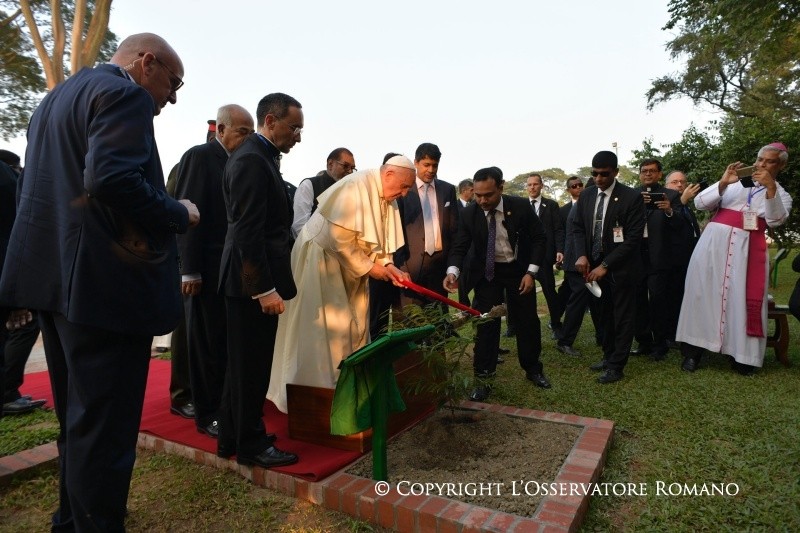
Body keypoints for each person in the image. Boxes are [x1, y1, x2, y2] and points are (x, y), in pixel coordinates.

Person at [0, 33, 199, 531]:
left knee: (78, 420)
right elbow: (109, 178)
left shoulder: (52, 101)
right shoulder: (124, 93)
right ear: (145, 62)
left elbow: (36, 190)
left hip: (54, 286)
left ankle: (71, 520)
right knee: (106, 431)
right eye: (172, 84)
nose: (171, 98)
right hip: (103, 292)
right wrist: (179, 212)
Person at [267, 156, 416, 413]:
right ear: (389, 174)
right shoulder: (354, 186)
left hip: (350, 268)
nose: (403, 194)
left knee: (350, 327)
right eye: (403, 187)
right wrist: (372, 268)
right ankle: (313, 395)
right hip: (321, 264)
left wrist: (388, 265)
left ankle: (345, 390)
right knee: (321, 328)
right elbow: (338, 239)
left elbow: (378, 241)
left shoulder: (386, 195)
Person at [216, 93, 302, 468]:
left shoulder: (258, 155)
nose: (298, 136)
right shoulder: (252, 159)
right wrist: (263, 289)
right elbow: (249, 233)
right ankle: (250, 446)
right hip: (249, 284)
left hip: (245, 282)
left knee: (243, 366)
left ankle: (233, 437)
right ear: (270, 120)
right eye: (293, 127)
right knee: (250, 368)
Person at [678, 143, 793, 375]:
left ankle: (741, 355)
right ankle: (692, 353)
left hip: (747, 250)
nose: (761, 164)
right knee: (702, 294)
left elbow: (776, 220)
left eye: (768, 161)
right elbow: (700, 203)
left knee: (739, 299)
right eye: (760, 159)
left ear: (780, 165)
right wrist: (722, 183)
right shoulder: (736, 183)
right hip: (712, 247)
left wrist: (770, 188)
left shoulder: (782, 194)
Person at [175, 104, 255, 439]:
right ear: (220, 129)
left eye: (250, 133)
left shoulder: (241, 161)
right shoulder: (200, 156)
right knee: (206, 345)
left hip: (231, 271)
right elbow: (190, 214)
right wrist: (189, 270)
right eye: (241, 132)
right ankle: (207, 413)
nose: (246, 139)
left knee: (224, 343)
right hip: (205, 269)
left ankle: (224, 408)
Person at [444, 166, 550, 402]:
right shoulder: (469, 213)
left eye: (488, 195)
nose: (481, 200)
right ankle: (483, 379)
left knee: (527, 321)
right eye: (477, 195)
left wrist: (531, 273)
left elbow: (540, 238)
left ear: (501, 188)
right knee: (485, 325)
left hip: (517, 271)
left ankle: (533, 369)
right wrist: (453, 270)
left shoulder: (520, 207)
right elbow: (460, 245)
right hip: (487, 274)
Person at [573, 151, 645, 384]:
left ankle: (616, 366)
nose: (599, 178)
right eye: (594, 174)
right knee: (602, 315)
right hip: (592, 267)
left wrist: (606, 265)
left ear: (615, 172)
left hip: (621, 268)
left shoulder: (631, 197)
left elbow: (633, 239)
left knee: (622, 317)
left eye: (604, 174)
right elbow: (577, 228)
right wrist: (582, 255)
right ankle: (607, 355)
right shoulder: (586, 196)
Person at [0, 153, 46, 416]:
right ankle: (6, 392)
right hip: (7, 271)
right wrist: (19, 298)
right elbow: (16, 229)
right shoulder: (7, 180)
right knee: (25, 324)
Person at [395, 143, 459, 308]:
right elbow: (396, 231)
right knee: (411, 323)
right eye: (426, 165)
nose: (431, 170)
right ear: (416, 163)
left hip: (439, 269)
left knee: (438, 322)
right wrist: (401, 268)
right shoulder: (403, 190)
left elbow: (454, 233)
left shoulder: (448, 190)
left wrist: (452, 268)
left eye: (435, 165)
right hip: (410, 269)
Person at [631, 159, 683, 360]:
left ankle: (660, 345)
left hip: (659, 257)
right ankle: (643, 342)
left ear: (660, 174)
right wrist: (637, 206)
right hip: (636, 256)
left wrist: (669, 210)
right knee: (638, 301)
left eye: (652, 171)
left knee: (658, 301)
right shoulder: (632, 195)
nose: (648, 174)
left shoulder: (670, 195)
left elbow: (681, 225)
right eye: (644, 171)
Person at [555, 176, 603, 356]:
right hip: (577, 263)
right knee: (579, 300)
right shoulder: (581, 206)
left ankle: (602, 336)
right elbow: (575, 235)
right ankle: (565, 341)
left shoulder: (588, 205)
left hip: (587, 262)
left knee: (596, 299)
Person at [664, 170, 702, 344]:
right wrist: (682, 200)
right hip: (671, 261)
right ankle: (670, 335)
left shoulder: (686, 206)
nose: (680, 185)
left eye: (683, 181)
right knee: (671, 298)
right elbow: (671, 224)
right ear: (666, 186)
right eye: (675, 182)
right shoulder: (665, 204)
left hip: (689, 259)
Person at [525, 173, 565, 335]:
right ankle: (519, 326)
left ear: (541, 186)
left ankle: (556, 324)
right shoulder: (521, 206)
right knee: (523, 293)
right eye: (529, 185)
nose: (532, 187)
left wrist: (560, 250)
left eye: (535, 184)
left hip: (545, 257)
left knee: (549, 291)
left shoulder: (551, 205)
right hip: (525, 258)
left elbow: (558, 229)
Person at [291, 148, 356, 237]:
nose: (350, 172)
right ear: (330, 164)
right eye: (345, 166)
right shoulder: (309, 185)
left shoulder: (351, 193)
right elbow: (299, 226)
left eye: (352, 168)